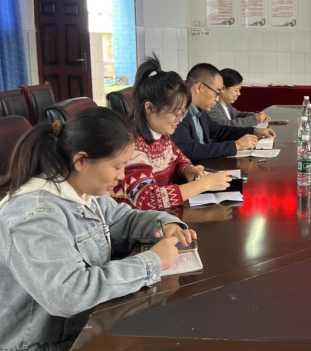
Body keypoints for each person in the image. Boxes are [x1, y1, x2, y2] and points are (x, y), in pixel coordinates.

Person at [0, 107, 196, 351]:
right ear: (80, 161)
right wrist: (152, 262)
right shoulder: (34, 216)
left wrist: (166, 224)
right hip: (46, 344)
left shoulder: (84, 188)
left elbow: (124, 219)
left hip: (90, 323)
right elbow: (68, 294)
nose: (122, 176)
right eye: (117, 166)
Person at [111, 56, 233, 210]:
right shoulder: (132, 145)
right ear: (149, 108)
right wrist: (204, 184)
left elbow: (178, 158)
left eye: (183, 113)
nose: (180, 120)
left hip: (165, 214)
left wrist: (187, 169)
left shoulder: (162, 135)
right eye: (176, 113)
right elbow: (147, 199)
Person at [171, 63, 276, 164]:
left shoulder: (200, 112)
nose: (217, 99)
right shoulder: (179, 113)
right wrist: (235, 146)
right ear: (199, 87)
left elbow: (219, 130)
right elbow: (188, 150)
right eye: (216, 93)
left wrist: (254, 131)